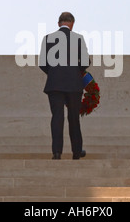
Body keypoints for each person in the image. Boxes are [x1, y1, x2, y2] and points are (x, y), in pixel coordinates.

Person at [39, 12, 90, 160]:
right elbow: (86, 62)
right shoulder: (78, 38)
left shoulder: (48, 39)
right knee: (74, 118)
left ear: (58, 23)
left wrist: (54, 73)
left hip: (54, 84)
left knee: (57, 117)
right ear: (72, 24)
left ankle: (56, 151)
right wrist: (75, 71)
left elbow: (42, 63)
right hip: (74, 83)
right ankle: (76, 151)